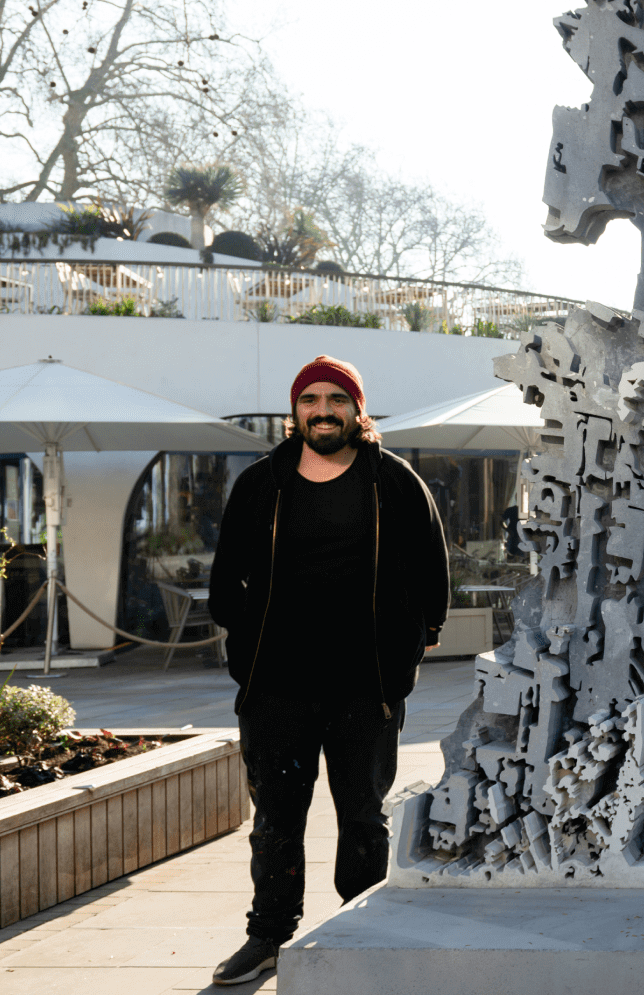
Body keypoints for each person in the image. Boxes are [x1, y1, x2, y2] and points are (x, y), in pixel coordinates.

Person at [206, 355, 448, 986]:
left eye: (335, 399)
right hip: (276, 688)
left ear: (357, 410)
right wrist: (244, 642)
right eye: (309, 399)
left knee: (364, 818)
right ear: (295, 412)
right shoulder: (261, 485)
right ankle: (268, 935)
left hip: (365, 689)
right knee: (277, 822)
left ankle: (358, 933)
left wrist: (409, 655)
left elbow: (431, 574)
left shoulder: (392, 482)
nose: (321, 409)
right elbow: (226, 578)